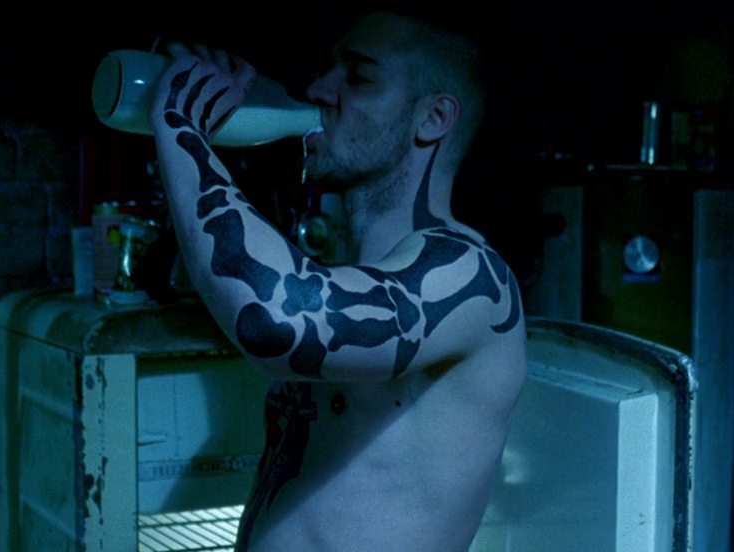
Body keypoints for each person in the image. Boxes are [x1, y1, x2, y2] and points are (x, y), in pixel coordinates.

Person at [148, 10, 527, 552]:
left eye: (359, 76)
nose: (319, 89)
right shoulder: (337, 268)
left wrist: (181, 125)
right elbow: (193, 280)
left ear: (433, 119)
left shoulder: (469, 276)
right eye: (329, 69)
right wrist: (211, 117)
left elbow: (279, 324)